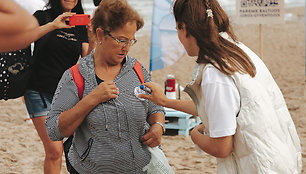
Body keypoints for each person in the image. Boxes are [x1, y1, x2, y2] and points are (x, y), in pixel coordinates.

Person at [138, 0, 302, 173]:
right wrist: (165, 101)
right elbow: (214, 105)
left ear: (184, 28)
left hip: (258, 167)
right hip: (280, 156)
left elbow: (221, 147)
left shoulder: (215, 72)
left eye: (177, 29)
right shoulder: (237, 50)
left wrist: (194, 134)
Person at [46, 0, 166, 173]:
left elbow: (156, 107)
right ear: (100, 35)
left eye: (131, 41)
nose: (126, 48)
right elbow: (53, 130)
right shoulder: (75, 76)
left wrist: (158, 126)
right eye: (121, 40)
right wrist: (91, 99)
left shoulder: (137, 70)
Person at [23, 0, 90, 173]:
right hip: (39, 91)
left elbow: (87, 58)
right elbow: (24, 37)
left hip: (67, 96)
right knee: (54, 151)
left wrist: (94, 39)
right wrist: (53, 25)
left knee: (70, 149)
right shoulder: (41, 16)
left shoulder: (80, 24)